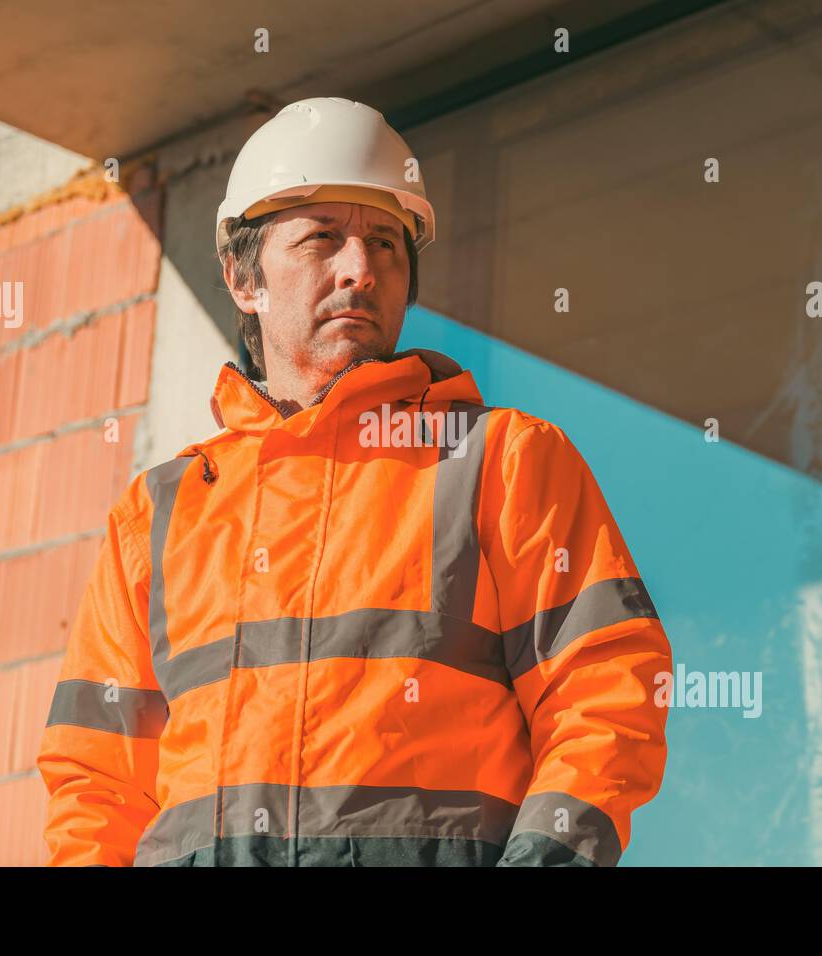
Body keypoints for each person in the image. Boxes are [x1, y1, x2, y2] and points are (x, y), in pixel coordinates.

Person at [37, 96, 672, 867]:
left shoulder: (504, 463)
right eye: (322, 239)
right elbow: (96, 787)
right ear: (245, 280)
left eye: (384, 244)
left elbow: (606, 694)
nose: (360, 269)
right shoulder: (159, 515)